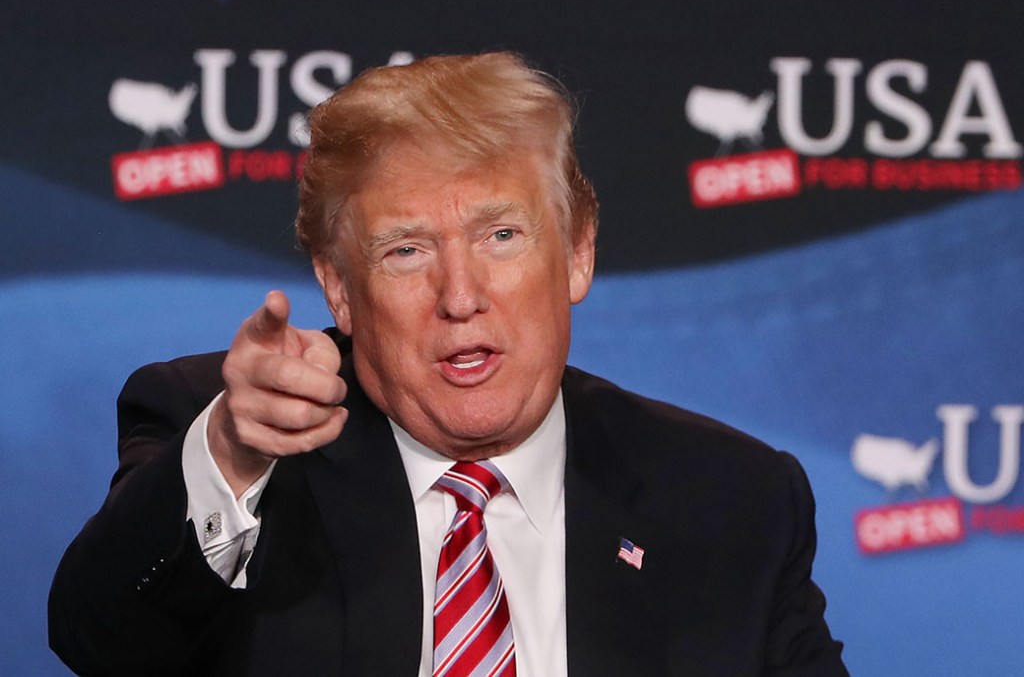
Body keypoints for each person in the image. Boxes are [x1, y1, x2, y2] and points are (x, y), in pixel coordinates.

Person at [50, 52, 848, 676]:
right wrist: (230, 452)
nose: (460, 295)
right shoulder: (235, 442)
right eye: (405, 251)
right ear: (340, 290)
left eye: (502, 236)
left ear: (577, 253)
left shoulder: (732, 500)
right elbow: (103, 643)